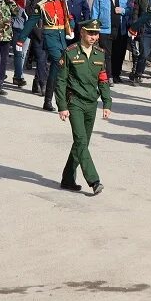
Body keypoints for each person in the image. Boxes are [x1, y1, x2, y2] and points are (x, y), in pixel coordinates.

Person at [57, 18, 112, 195]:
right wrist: (62, 106)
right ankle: (94, 180)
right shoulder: (70, 53)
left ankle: (67, 179)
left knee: (82, 143)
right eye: (90, 33)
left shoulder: (100, 54)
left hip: (91, 103)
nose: (93, 37)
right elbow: (61, 81)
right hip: (75, 103)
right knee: (81, 141)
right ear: (82, 32)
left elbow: (103, 80)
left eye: (96, 34)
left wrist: (107, 102)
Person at [16, 0, 74, 112]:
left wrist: (71, 27)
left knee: (55, 70)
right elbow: (31, 22)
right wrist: (21, 39)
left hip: (61, 39)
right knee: (59, 63)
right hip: (50, 38)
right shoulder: (41, 5)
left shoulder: (62, 2)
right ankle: (60, 101)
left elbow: (68, 18)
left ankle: (47, 100)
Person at [90, 0, 129, 84]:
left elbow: (129, 11)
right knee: (107, 54)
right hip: (104, 29)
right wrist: (94, 29)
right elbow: (95, 13)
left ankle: (116, 74)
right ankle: (109, 76)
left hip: (120, 29)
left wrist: (123, 10)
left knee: (119, 54)